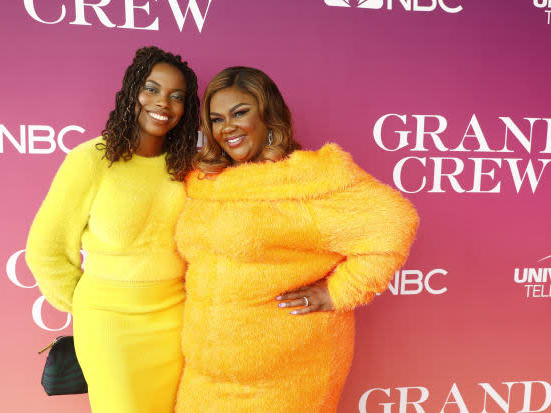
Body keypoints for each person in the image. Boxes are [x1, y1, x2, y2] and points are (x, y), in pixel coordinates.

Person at [174, 66, 419, 413]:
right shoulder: (205, 181)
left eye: (240, 113)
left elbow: (395, 220)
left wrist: (338, 292)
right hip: (204, 377)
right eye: (216, 119)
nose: (227, 127)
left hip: (286, 378)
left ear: (268, 115)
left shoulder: (309, 180)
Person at [25, 46, 200, 413]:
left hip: (175, 322)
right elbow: (46, 247)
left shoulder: (189, 167)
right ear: (132, 91)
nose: (163, 103)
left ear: (186, 108)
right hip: (108, 323)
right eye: (151, 89)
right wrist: (90, 304)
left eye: (176, 96)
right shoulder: (91, 160)